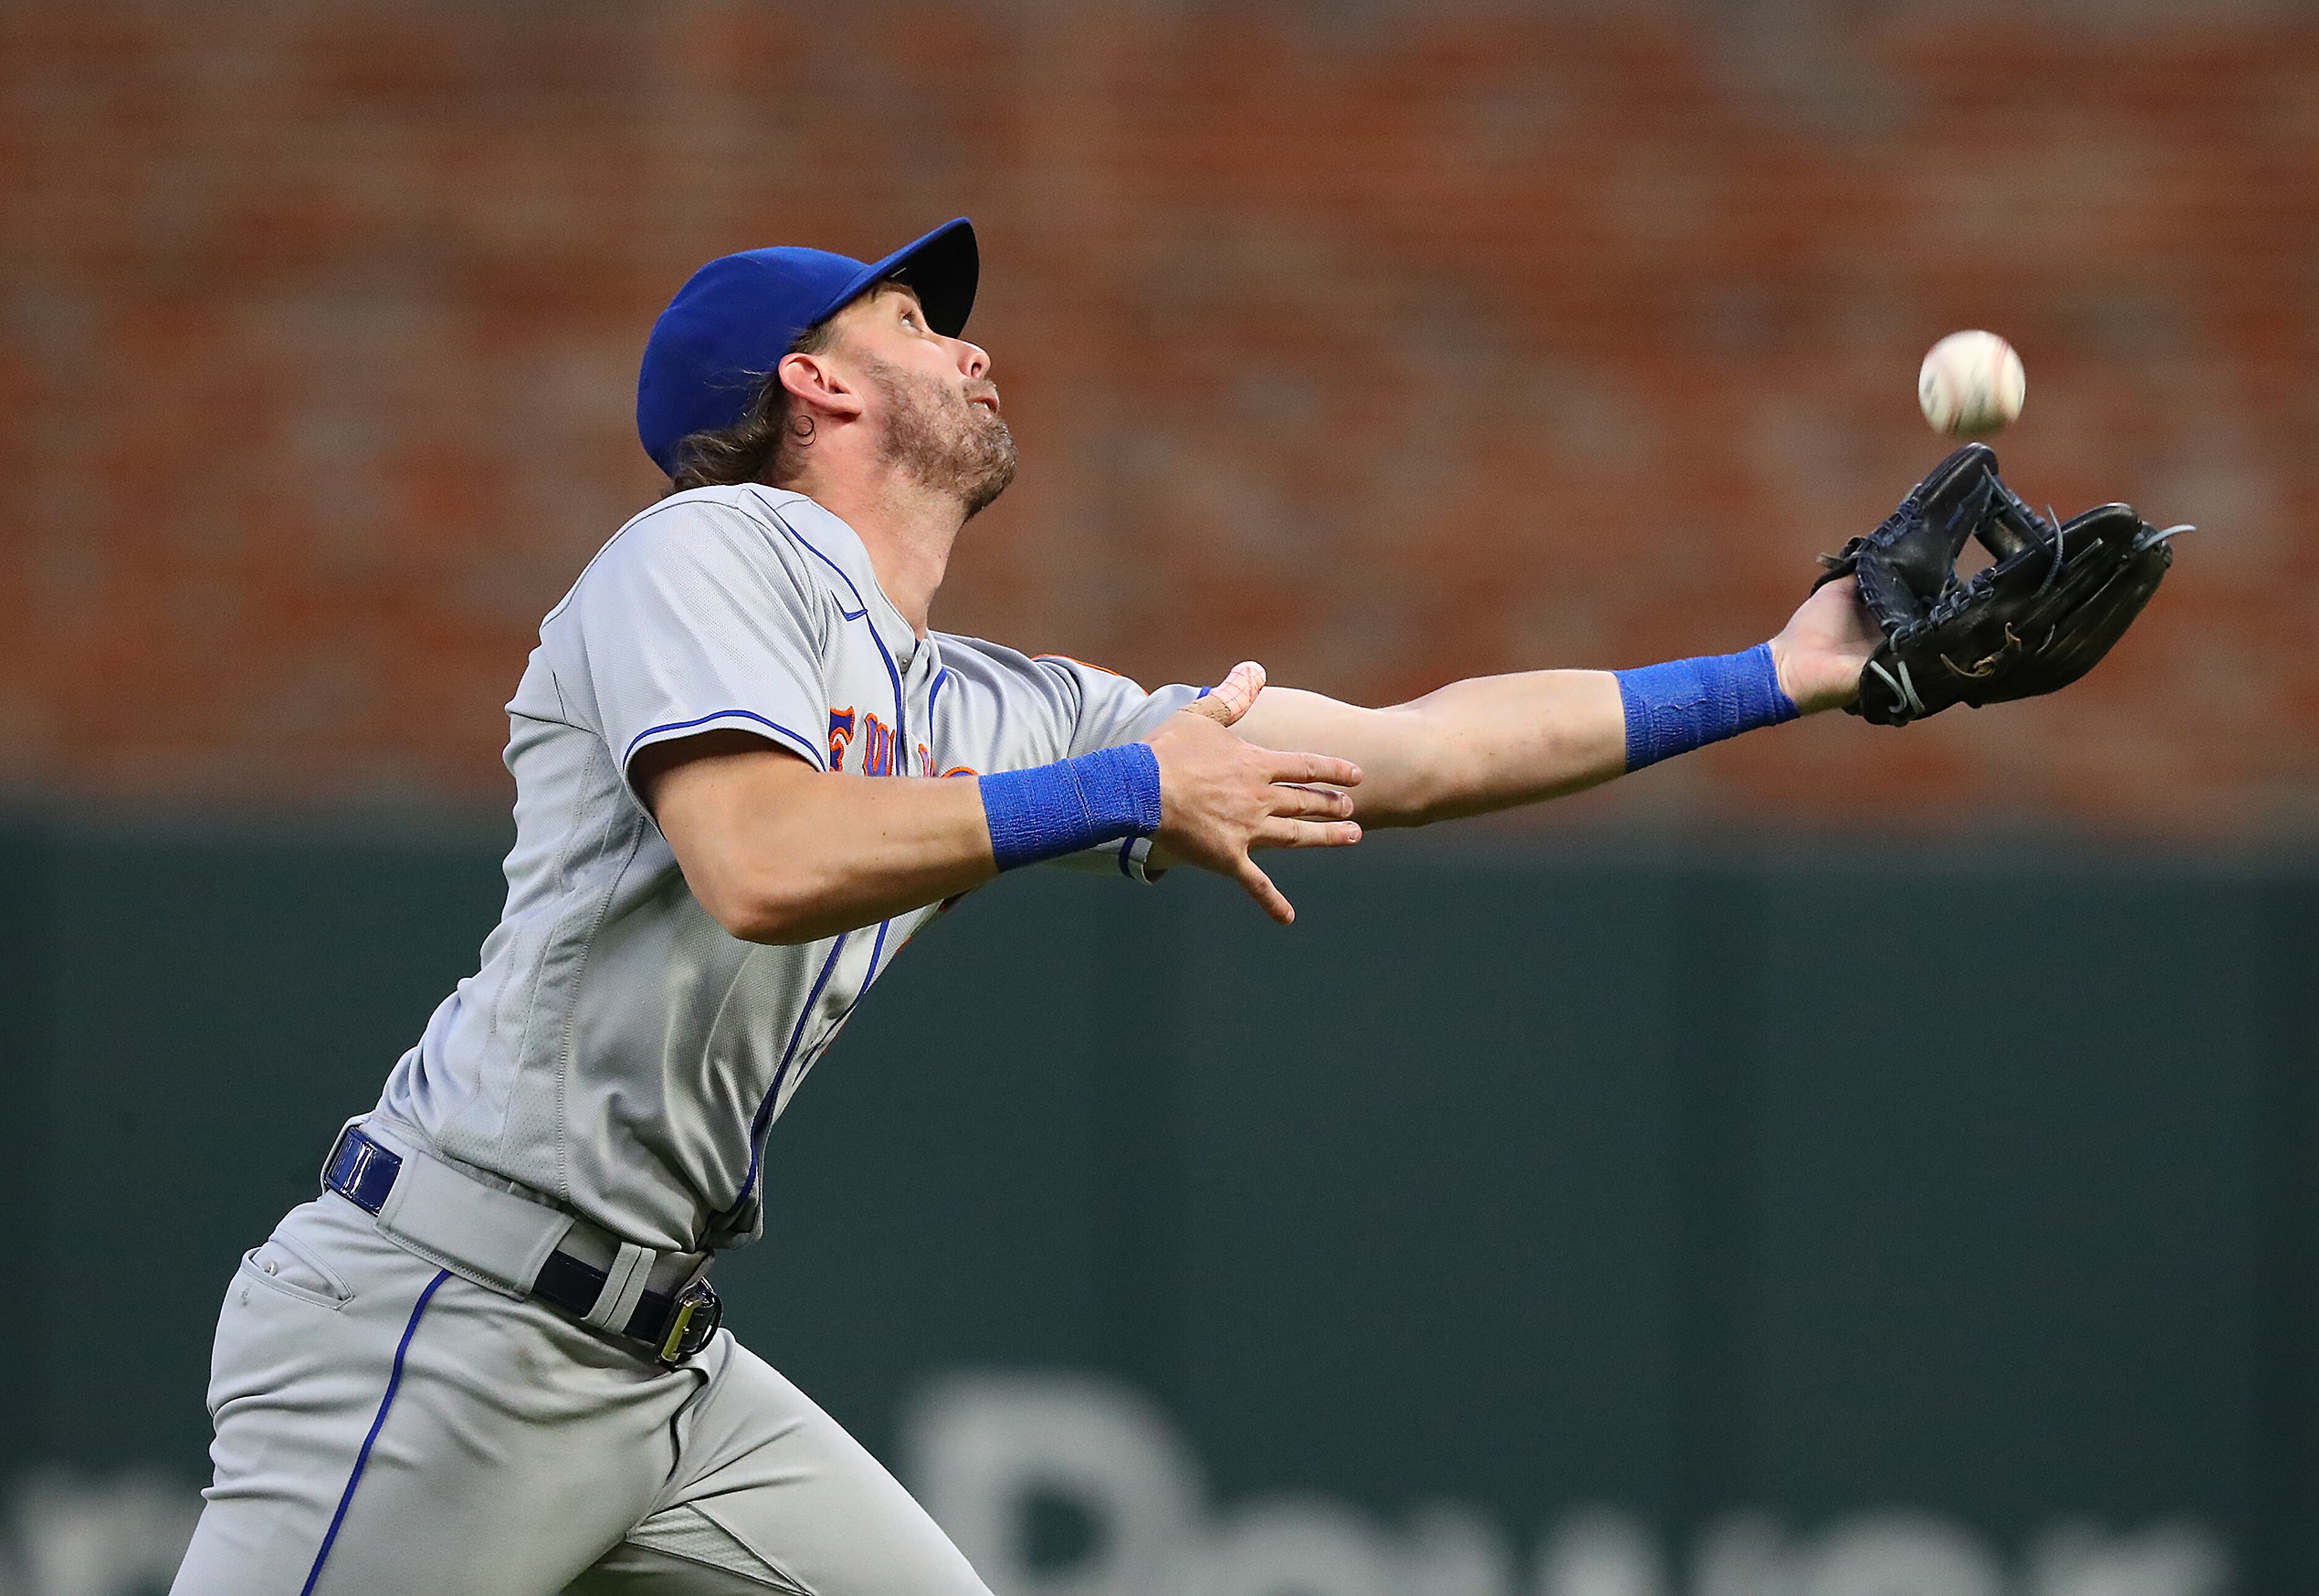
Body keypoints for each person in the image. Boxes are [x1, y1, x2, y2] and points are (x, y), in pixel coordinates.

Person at [169, 218, 1877, 1595]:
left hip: (657, 1371)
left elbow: (1411, 750)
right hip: (442, 1325)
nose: (971, 345)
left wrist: (1790, 673)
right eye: (917, 320)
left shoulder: (990, 702)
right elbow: (761, 858)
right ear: (811, 381)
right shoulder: (699, 559)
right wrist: (1134, 784)